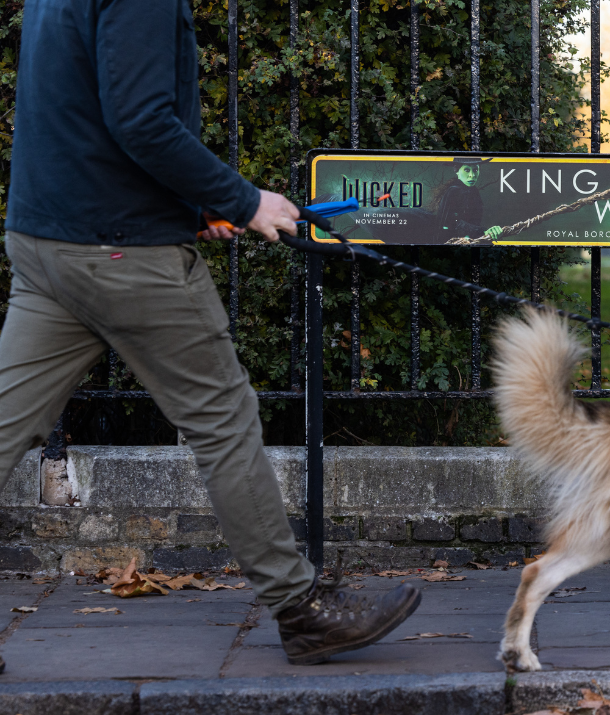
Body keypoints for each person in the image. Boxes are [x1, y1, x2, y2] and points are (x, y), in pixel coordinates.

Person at [0, 0, 419, 669]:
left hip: (44, 239)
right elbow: (138, 119)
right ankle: (299, 607)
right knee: (223, 418)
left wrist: (191, 205)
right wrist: (245, 201)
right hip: (121, 253)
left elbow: (79, 110)